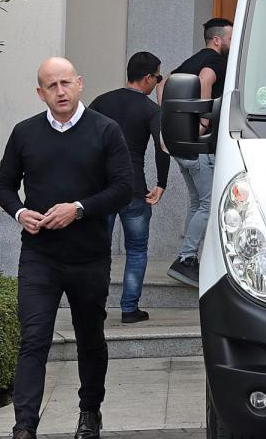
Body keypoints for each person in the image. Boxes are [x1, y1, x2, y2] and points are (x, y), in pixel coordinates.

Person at [0, 58, 133, 439]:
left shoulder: (106, 131)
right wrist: (19, 211)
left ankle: (90, 412)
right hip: (40, 254)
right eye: (51, 86)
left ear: (80, 84)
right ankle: (24, 427)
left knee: (90, 337)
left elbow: (124, 188)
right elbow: (3, 185)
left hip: (88, 256)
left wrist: (79, 209)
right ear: (40, 93)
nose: (60, 91)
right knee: (34, 337)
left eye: (65, 83)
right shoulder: (25, 133)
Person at [89, 51, 171, 324]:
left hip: (101, 190)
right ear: (148, 78)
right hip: (134, 188)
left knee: (98, 251)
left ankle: (95, 309)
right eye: (157, 77)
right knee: (136, 250)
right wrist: (161, 183)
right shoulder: (151, 110)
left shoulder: (101, 102)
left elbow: (82, 140)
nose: (157, 82)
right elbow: (163, 147)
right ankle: (129, 309)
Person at [161, 17, 233, 287]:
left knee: (196, 201)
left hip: (183, 144)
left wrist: (167, 123)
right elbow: (206, 79)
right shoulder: (216, 62)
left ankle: (188, 257)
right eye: (229, 37)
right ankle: (186, 259)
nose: (231, 41)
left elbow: (163, 82)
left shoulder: (189, 61)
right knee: (208, 202)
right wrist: (203, 119)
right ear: (217, 40)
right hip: (201, 145)